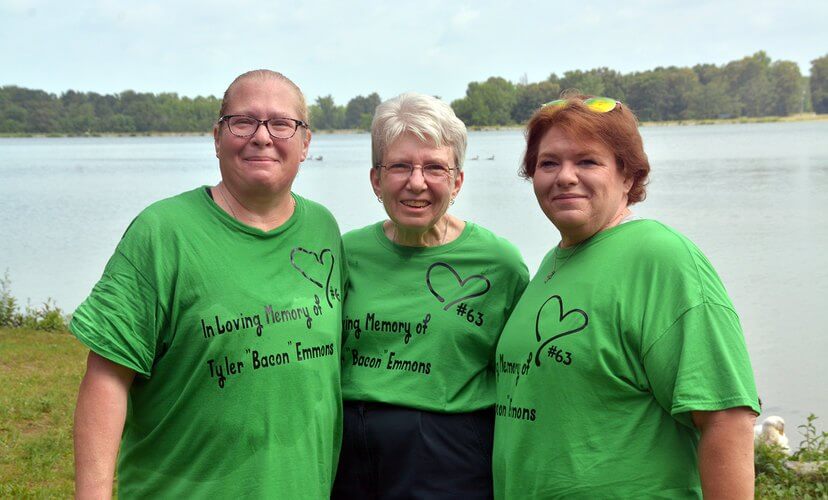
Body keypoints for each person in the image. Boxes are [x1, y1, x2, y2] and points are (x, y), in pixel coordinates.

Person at [71, 70, 347, 498]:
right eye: (243, 121)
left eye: (281, 123)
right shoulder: (162, 233)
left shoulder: (324, 229)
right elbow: (106, 379)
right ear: (218, 137)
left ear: (305, 143)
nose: (261, 136)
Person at [492, 95, 760, 499]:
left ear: (628, 177)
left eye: (587, 161)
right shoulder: (553, 263)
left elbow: (726, 417)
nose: (565, 176)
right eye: (549, 163)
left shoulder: (661, 258)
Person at [333, 92, 529, 499]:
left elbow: (522, 373)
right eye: (400, 166)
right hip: (347, 453)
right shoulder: (344, 254)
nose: (416, 182)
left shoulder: (499, 263)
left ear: (457, 181)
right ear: (376, 180)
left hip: (449, 454)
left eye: (434, 168)